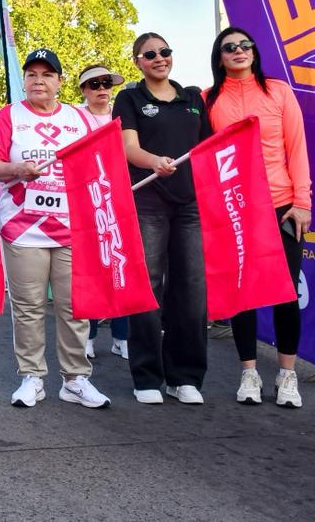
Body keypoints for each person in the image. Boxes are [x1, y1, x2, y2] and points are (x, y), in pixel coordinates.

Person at [0, 49, 109, 409]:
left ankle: (75, 380)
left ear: (59, 81)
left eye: (47, 74)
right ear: (24, 80)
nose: (38, 80)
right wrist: (18, 170)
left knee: (74, 307)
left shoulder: (78, 118)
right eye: (32, 74)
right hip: (23, 226)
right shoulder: (10, 115)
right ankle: (32, 377)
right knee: (28, 305)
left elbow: (96, 164)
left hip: (71, 227)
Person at [205, 26, 311, 407]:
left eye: (244, 45)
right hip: (235, 208)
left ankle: (287, 376)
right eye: (229, 47)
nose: (238, 50)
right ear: (220, 57)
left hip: (282, 206)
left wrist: (303, 202)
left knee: (285, 293)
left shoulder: (278, 91)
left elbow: (296, 147)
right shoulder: (208, 100)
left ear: (253, 51)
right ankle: (249, 373)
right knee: (241, 294)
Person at [113, 32, 212, 405]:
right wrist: (154, 162)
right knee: (148, 286)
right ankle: (147, 376)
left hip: (190, 205)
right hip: (148, 201)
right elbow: (129, 148)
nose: (159, 58)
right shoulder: (130, 97)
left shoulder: (192, 98)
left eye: (165, 52)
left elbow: (207, 148)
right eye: (150, 54)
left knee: (191, 289)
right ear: (138, 61)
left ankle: (184, 376)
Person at [77, 64, 130, 361]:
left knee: (121, 268)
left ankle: (122, 336)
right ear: (84, 90)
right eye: (94, 84)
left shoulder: (123, 119)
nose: (101, 88)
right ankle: (89, 334)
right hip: (88, 200)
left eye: (106, 83)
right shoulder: (74, 117)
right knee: (93, 270)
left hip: (121, 200)